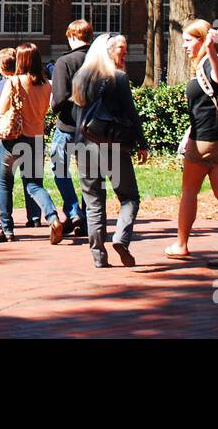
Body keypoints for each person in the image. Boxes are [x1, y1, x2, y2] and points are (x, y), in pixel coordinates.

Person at [165, 19, 218, 267]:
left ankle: (181, 244)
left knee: (189, 191)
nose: (185, 46)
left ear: (202, 39)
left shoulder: (214, 62)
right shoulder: (209, 62)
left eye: (189, 41)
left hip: (205, 140)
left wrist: (211, 49)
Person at [71, 33, 148, 268]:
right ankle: (121, 238)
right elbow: (131, 114)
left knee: (93, 201)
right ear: (107, 51)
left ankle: (98, 255)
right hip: (112, 145)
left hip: (83, 145)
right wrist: (142, 143)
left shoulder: (81, 78)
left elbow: (76, 115)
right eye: (121, 49)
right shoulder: (119, 79)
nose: (125, 53)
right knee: (129, 197)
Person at [0, 42, 67, 243]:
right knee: (34, 184)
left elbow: (1, 111)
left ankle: (7, 230)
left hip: (12, 139)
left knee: (5, 183)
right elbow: (45, 111)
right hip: (35, 138)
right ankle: (53, 217)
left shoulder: (14, 82)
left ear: (21, 61)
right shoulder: (46, 85)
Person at [0, 48, 41, 227]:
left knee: (2, 176)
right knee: (32, 177)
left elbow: (1, 110)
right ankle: (35, 215)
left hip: (10, 134)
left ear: (2, 67)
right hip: (33, 134)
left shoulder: (8, 84)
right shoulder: (31, 81)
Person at [49, 19, 93, 238]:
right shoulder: (99, 62)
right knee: (89, 174)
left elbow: (58, 100)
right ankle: (88, 220)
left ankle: (73, 210)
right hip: (93, 127)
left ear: (72, 36)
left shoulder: (64, 62)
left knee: (59, 168)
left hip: (67, 126)